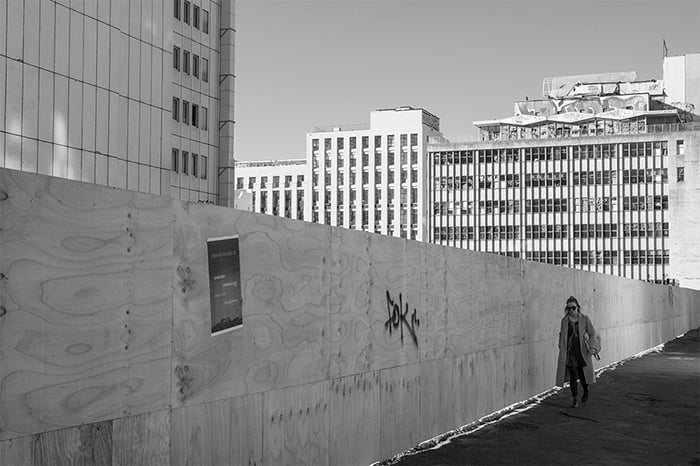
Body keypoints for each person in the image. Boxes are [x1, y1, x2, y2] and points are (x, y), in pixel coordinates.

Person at [555, 296, 598, 407]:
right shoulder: (564, 321)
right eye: (569, 308)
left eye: (573, 308)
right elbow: (561, 334)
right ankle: (574, 399)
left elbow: (592, 333)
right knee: (573, 376)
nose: (571, 311)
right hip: (569, 352)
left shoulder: (584, 319)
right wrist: (560, 344)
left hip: (581, 352)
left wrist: (592, 346)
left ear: (578, 308)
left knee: (583, 375)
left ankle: (586, 390)